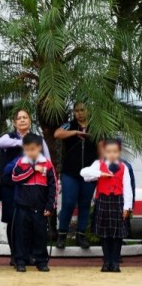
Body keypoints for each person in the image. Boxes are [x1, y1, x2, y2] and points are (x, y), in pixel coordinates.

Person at [0, 108, 50, 259]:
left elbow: (47, 160)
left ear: (30, 121)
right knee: (13, 220)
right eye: (19, 118)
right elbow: (1, 142)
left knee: (31, 220)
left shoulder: (39, 139)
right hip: (12, 186)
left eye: (25, 117)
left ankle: (30, 255)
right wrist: (23, 142)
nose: (22, 120)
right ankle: (16, 255)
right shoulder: (9, 137)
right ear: (14, 123)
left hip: (33, 187)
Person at [8, 133, 57, 273]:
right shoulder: (21, 163)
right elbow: (15, 179)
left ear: (39, 148)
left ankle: (41, 261)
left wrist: (50, 206)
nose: (30, 152)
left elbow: (53, 186)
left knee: (40, 235)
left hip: (40, 207)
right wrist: (32, 170)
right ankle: (20, 261)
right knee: (21, 235)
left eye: (33, 149)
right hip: (22, 207)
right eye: (27, 149)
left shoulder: (47, 163)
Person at [80, 139, 131, 272]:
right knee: (104, 233)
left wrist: (127, 207)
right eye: (109, 151)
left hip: (118, 202)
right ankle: (107, 261)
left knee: (117, 234)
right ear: (104, 152)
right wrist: (100, 174)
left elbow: (127, 188)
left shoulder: (123, 167)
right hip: (103, 201)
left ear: (119, 152)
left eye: (115, 151)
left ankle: (115, 262)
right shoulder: (98, 164)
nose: (112, 154)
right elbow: (84, 173)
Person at [54, 102, 97, 249]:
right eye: (76, 110)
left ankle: (81, 236)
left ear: (88, 111)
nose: (79, 113)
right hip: (70, 173)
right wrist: (74, 133)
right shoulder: (69, 125)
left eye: (82, 110)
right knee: (68, 203)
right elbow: (57, 134)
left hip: (89, 174)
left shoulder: (95, 126)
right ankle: (62, 236)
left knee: (85, 205)